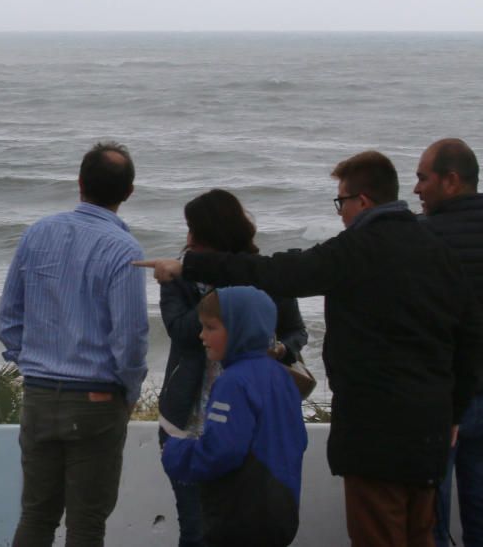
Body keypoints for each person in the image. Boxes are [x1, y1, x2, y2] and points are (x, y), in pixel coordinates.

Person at [140, 150, 483, 547]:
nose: (340, 213)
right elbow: (470, 336)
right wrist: (454, 412)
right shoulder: (437, 249)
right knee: (421, 533)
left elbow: (278, 274)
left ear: (363, 201)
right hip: (430, 428)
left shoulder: (355, 250)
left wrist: (190, 267)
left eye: (342, 201)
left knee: (379, 533)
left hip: (374, 430)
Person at [0, 141, 149, 547]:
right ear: (129, 192)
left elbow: (9, 319)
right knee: (86, 525)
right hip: (97, 400)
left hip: (40, 395)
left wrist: (30, 363)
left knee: (36, 516)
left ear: (79, 183)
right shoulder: (123, 250)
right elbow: (130, 337)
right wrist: (128, 391)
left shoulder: (38, 233)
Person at [158, 189, 308, 547]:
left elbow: (295, 330)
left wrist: (273, 342)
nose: (189, 239)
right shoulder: (179, 277)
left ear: (216, 233)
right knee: (195, 528)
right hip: (189, 412)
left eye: (195, 230)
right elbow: (181, 333)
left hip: (248, 409)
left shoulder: (264, 275)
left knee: (233, 523)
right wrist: (215, 298)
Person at [414, 138, 483, 547]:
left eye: (424, 178)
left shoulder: (423, 239)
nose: (417, 188)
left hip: (442, 400)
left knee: (430, 518)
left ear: (451, 181)